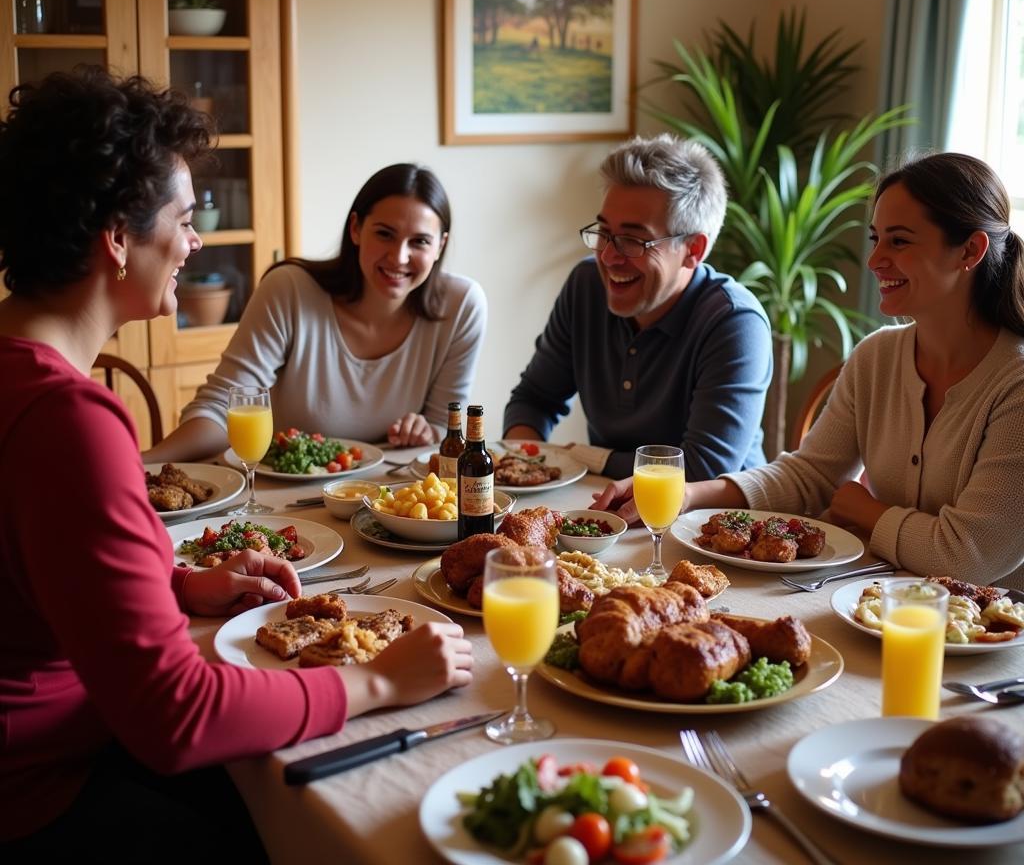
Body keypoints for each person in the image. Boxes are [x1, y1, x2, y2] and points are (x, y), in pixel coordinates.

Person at [0, 69, 473, 855]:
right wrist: (377, 681)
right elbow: (176, 717)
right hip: (38, 789)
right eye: (184, 222)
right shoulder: (68, 420)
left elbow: (40, 579)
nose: (193, 243)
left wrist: (180, 586)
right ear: (118, 237)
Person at [595, 152, 1024, 589]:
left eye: (899, 241)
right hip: (880, 607)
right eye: (875, 239)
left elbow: (967, 555)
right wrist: (688, 495)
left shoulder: (1016, 385)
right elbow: (811, 476)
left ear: (969, 250)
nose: (875, 260)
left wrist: (867, 511)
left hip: (995, 637)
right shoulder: (876, 356)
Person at [147, 162, 486, 462]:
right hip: (288, 503)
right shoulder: (290, 290)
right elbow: (224, 408)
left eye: (420, 242)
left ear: (440, 245)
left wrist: (425, 430)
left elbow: (446, 429)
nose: (399, 257)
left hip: (394, 502)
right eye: (385, 234)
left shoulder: (462, 306)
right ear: (356, 229)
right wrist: (144, 463)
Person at [503, 133, 773, 481]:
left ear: (693, 249)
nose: (608, 256)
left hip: (710, 525)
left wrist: (588, 458)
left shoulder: (735, 322)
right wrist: (520, 468)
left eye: (633, 240)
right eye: (604, 232)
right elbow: (535, 399)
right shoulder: (586, 286)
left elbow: (701, 470)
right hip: (608, 511)